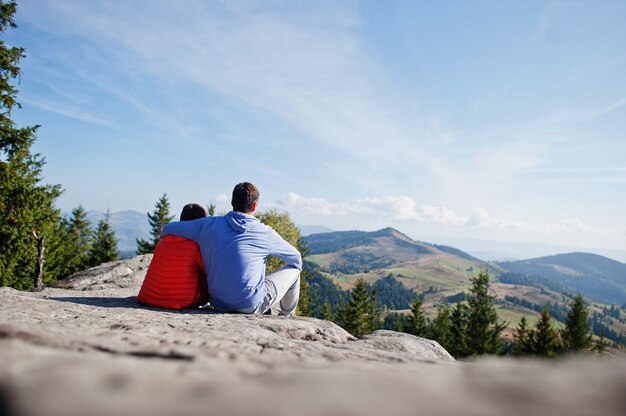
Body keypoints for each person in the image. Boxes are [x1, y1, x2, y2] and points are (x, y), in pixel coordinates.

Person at [161, 182, 302, 316]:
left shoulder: (208, 225)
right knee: (295, 270)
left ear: (232, 202)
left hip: (217, 302)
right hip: (250, 305)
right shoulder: (264, 232)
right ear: (254, 206)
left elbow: (167, 229)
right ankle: (287, 316)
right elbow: (296, 258)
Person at [137, 203, 208, 310]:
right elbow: (210, 272)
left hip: (148, 298)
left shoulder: (162, 242)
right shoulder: (195, 246)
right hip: (184, 301)